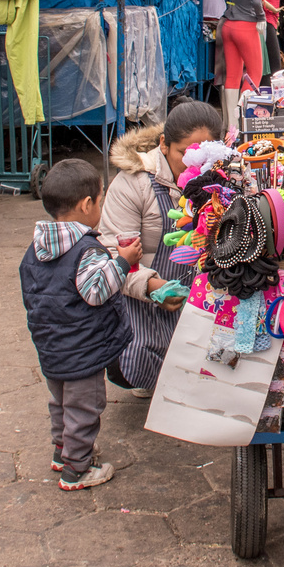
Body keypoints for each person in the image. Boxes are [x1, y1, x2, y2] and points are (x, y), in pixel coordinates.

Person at [20, 159, 140, 490]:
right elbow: (96, 291)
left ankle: (63, 451)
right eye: (101, 200)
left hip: (51, 347)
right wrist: (123, 262)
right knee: (85, 407)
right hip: (82, 348)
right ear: (87, 204)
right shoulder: (85, 248)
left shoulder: (37, 247)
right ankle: (78, 467)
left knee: (60, 402)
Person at [99, 101, 216, 395]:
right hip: (146, 301)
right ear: (164, 144)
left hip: (202, 295)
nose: (195, 165)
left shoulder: (222, 179)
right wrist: (152, 286)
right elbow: (112, 252)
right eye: (184, 154)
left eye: (204, 155)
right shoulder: (133, 184)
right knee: (127, 358)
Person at [220, 0, 268, 123]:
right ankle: (243, 121)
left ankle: (231, 126)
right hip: (247, 26)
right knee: (255, 74)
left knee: (232, 76)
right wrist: (261, 17)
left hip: (228, 24)